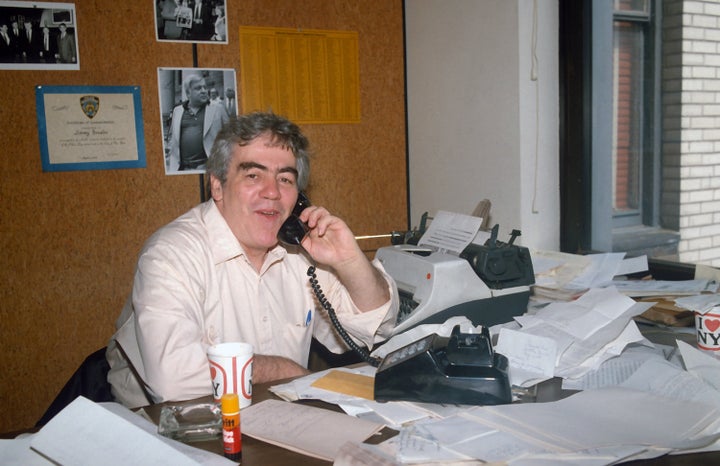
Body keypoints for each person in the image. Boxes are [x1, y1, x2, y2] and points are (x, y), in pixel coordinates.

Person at [106, 111, 399, 408]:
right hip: (173, 425)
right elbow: (174, 382)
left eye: (285, 179)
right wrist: (285, 372)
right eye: (253, 175)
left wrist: (349, 260)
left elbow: (377, 326)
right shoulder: (171, 255)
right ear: (217, 186)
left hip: (272, 417)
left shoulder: (299, 251)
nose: (272, 192)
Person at [165, 74, 229, 172]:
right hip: (181, 169)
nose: (204, 91)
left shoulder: (218, 108)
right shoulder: (177, 111)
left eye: (205, 87)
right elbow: (172, 138)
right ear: (188, 93)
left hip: (209, 168)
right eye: (198, 88)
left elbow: (231, 136)